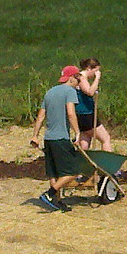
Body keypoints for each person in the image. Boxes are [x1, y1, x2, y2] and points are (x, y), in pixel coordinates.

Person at [30, 66, 83, 212]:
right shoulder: (70, 92)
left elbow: (41, 116)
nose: (79, 81)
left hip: (49, 138)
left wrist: (35, 135)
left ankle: (56, 201)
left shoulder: (50, 92)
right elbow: (71, 114)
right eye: (78, 77)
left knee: (54, 172)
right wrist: (77, 133)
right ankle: (50, 194)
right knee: (73, 171)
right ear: (71, 77)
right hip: (61, 138)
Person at [76, 58, 113, 152]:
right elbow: (90, 92)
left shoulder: (79, 77)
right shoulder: (81, 78)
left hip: (81, 113)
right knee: (105, 139)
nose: (96, 73)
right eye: (95, 71)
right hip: (86, 113)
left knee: (86, 137)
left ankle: (84, 161)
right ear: (89, 68)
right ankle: (106, 163)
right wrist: (97, 79)